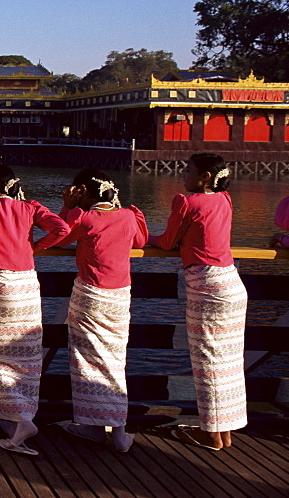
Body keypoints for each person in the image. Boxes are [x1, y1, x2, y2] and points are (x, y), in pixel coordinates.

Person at [149, 153, 248, 451]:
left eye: (189, 169)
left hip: (206, 286)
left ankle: (211, 435)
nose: (183, 173)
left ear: (205, 176)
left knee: (207, 361)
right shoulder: (225, 200)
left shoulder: (186, 201)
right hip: (231, 282)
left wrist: (142, 235)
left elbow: (167, 242)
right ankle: (223, 432)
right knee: (228, 363)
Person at [0, 164, 69, 455]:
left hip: (2, 280)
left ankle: (18, 418)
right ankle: (19, 416)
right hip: (28, 282)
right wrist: (35, 247)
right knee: (25, 354)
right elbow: (62, 228)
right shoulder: (30, 207)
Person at [58, 169, 148, 453]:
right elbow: (141, 241)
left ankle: (91, 426)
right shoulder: (127, 216)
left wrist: (67, 207)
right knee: (115, 360)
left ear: (82, 191)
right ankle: (119, 429)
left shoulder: (85, 218)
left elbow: (59, 237)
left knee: (86, 361)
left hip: (90, 295)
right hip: (120, 297)